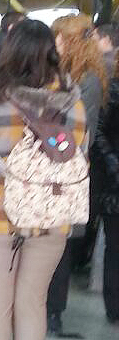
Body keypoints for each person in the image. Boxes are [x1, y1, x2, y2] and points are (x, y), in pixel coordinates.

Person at [0, 19, 86, 340]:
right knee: (33, 303)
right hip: (50, 209)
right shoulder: (72, 98)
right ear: (52, 52)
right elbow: (78, 154)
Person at [45, 14, 107, 336]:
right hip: (55, 167)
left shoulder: (86, 80)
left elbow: (80, 134)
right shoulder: (68, 74)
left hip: (66, 170)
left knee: (59, 244)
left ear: (71, 41)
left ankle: (53, 311)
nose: (53, 42)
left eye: (59, 37)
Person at [91, 61, 119, 325]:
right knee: (115, 249)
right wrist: (112, 162)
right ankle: (114, 307)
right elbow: (99, 131)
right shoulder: (113, 90)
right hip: (115, 184)